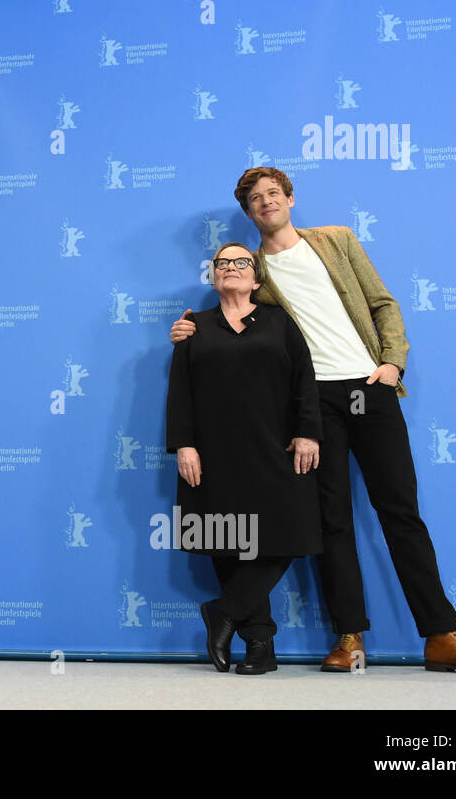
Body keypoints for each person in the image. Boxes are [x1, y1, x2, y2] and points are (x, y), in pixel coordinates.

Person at [170, 167, 456, 675]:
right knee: (331, 521)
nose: (265, 202)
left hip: (367, 388)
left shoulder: (335, 241)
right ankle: (349, 637)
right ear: (248, 212)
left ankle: (444, 636)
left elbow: (382, 302)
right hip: (311, 405)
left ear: (289, 198)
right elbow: (237, 321)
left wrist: (392, 361)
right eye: (254, 199)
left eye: (272, 193)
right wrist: (188, 329)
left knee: (401, 513)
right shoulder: (253, 272)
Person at [166, 241, 322, 675]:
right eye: (223, 263)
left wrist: (308, 432)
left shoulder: (279, 322)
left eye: (241, 262)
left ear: (256, 278)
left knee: (289, 534)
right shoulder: (193, 326)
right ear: (213, 275)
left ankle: (224, 612)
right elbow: (180, 389)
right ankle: (260, 646)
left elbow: (304, 380)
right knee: (228, 544)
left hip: (276, 449)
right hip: (213, 454)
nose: (231, 268)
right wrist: (184, 444)